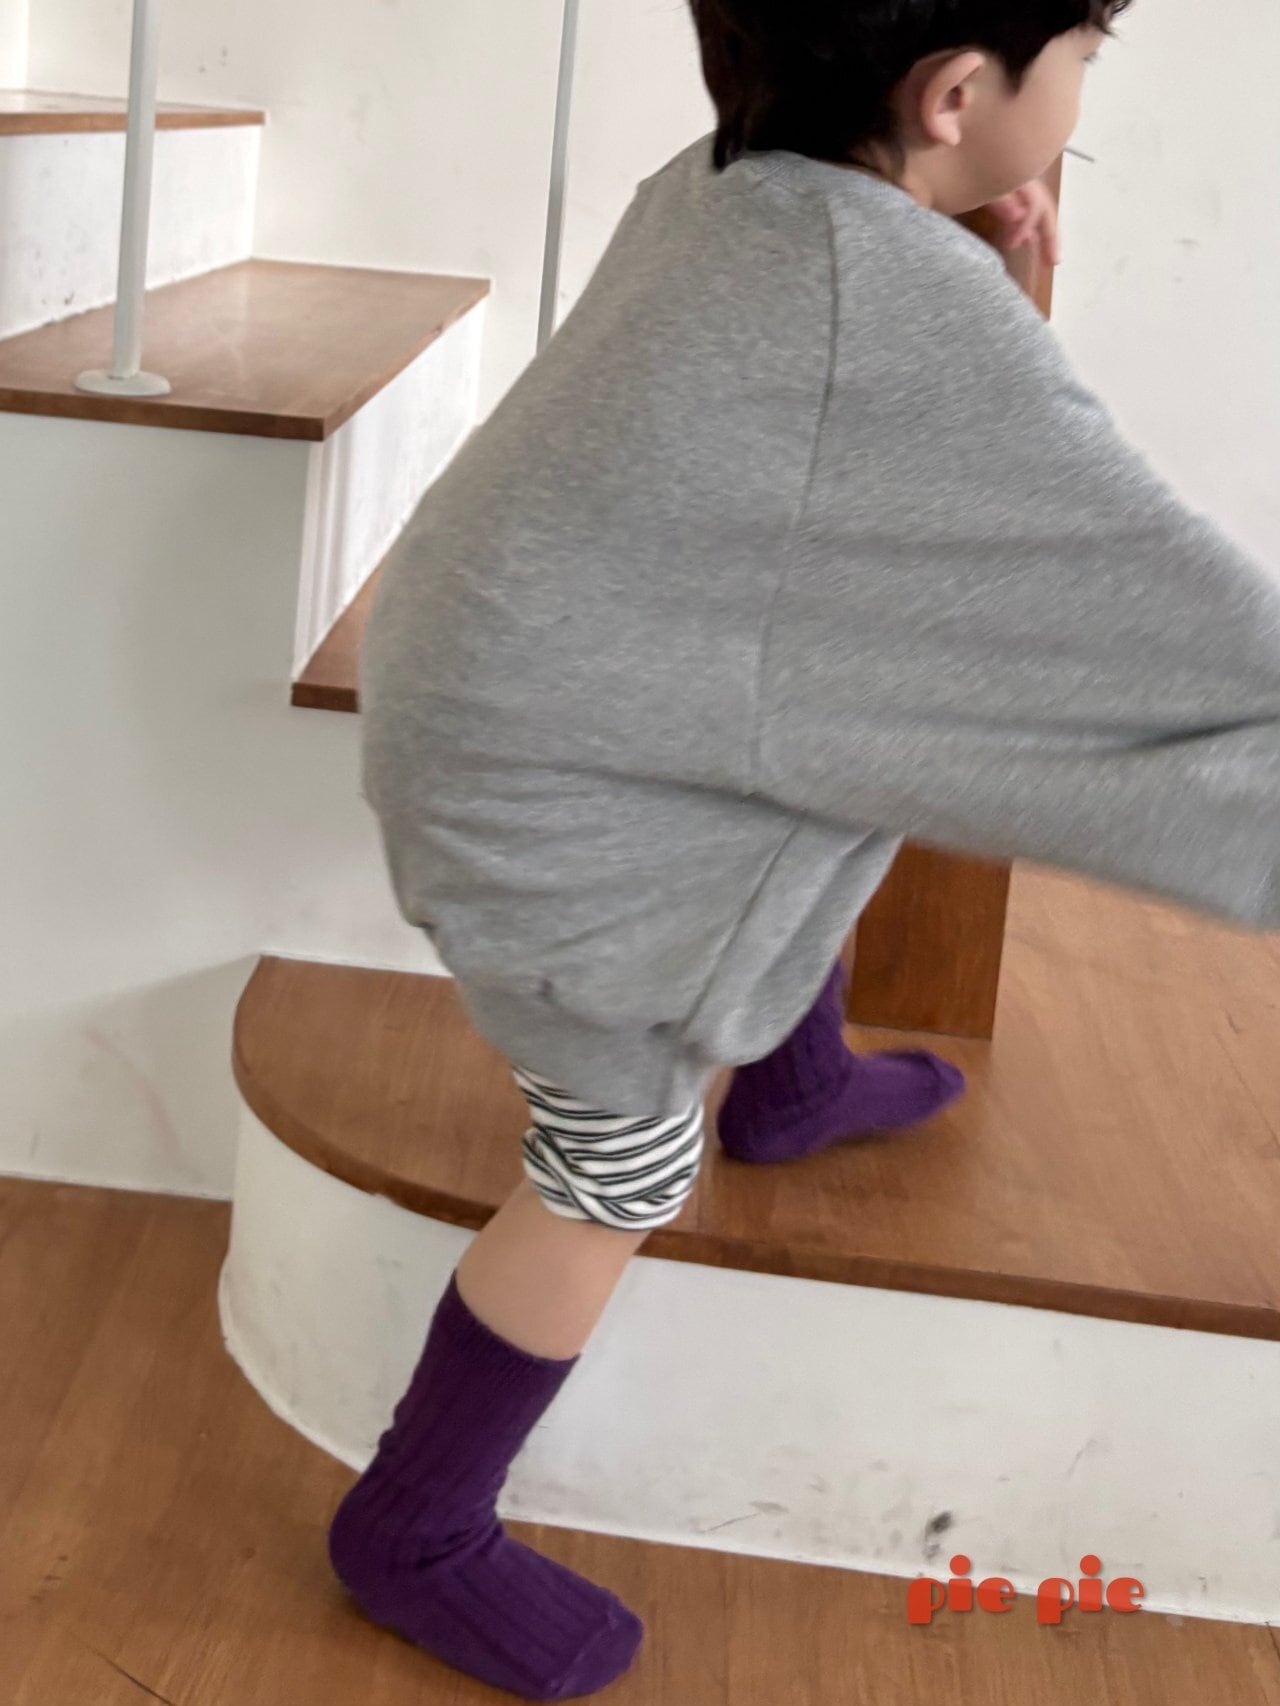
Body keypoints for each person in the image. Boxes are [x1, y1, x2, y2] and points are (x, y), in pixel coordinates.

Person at [331, 1, 1280, 1697]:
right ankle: (413, 1523)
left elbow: (874, 470)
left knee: (880, 668)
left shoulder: (728, 176)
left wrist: (956, 218)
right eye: (1081, 62)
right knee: (617, 1167)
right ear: (957, 93)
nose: (1080, 97)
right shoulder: (896, 310)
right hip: (557, 796)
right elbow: (1168, 618)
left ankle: (792, 1077)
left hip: (522, 670)